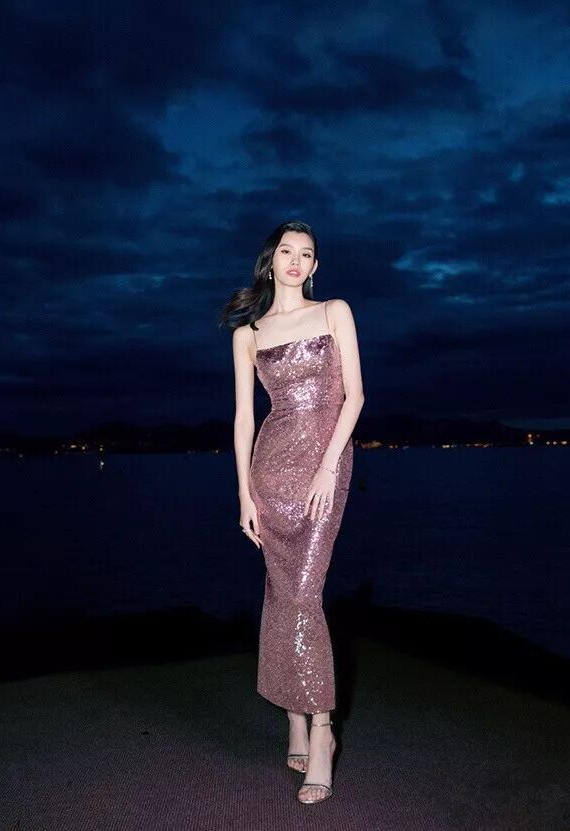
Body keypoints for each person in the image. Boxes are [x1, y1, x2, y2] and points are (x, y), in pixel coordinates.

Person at [220, 220, 364, 804]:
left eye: (307, 253)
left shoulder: (334, 312)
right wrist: (243, 494)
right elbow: (243, 419)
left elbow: (354, 396)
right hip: (270, 470)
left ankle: (323, 729)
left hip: (325, 466)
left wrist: (328, 466)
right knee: (282, 594)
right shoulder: (248, 334)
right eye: (287, 251)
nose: (296, 261)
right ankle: (295, 718)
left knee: (304, 594)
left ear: (315, 266)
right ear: (271, 259)